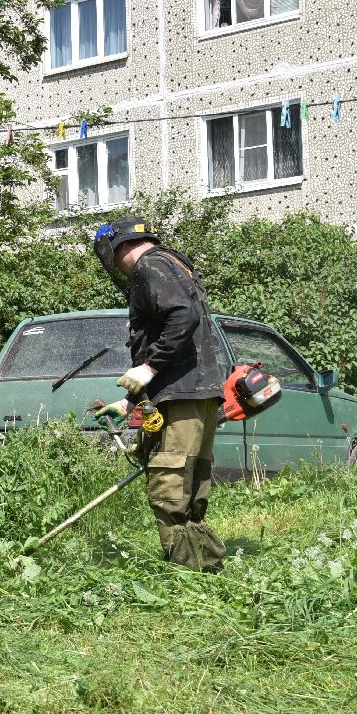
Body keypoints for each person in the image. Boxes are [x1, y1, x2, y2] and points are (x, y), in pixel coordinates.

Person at [92, 219, 229, 573]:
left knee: (170, 488)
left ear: (121, 247)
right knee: (190, 487)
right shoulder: (174, 264)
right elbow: (168, 335)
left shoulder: (151, 265)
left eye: (111, 257)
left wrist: (149, 368)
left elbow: (183, 318)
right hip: (195, 392)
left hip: (182, 397)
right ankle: (205, 569)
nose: (115, 266)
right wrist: (129, 402)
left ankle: (186, 576)